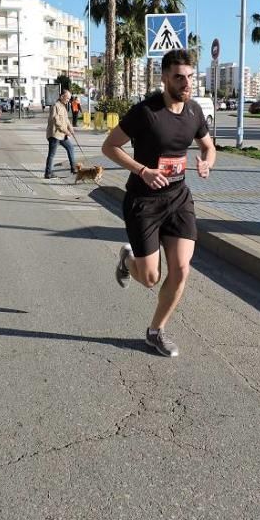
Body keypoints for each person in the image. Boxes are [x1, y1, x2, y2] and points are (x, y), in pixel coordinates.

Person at [101, 48, 216, 358]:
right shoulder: (145, 112)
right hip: (144, 202)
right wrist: (143, 170)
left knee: (181, 270)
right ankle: (127, 261)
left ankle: (155, 331)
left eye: (190, 77)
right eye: (179, 78)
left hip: (178, 199)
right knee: (150, 278)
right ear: (165, 78)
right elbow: (109, 146)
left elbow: (209, 147)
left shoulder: (193, 112)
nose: (186, 83)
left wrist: (206, 162)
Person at [44, 90, 78, 179]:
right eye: (67, 98)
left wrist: (71, 129)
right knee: (52, 154)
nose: (68, 100)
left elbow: (66, 120)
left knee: (70, 147)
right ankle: (48, 173)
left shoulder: (63, 106)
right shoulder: (55, 106)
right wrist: (66, 131)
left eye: (69, 99)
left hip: (62, 135)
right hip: (55, 134)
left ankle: (73, 168)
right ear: (62, 96)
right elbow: (56, 121)